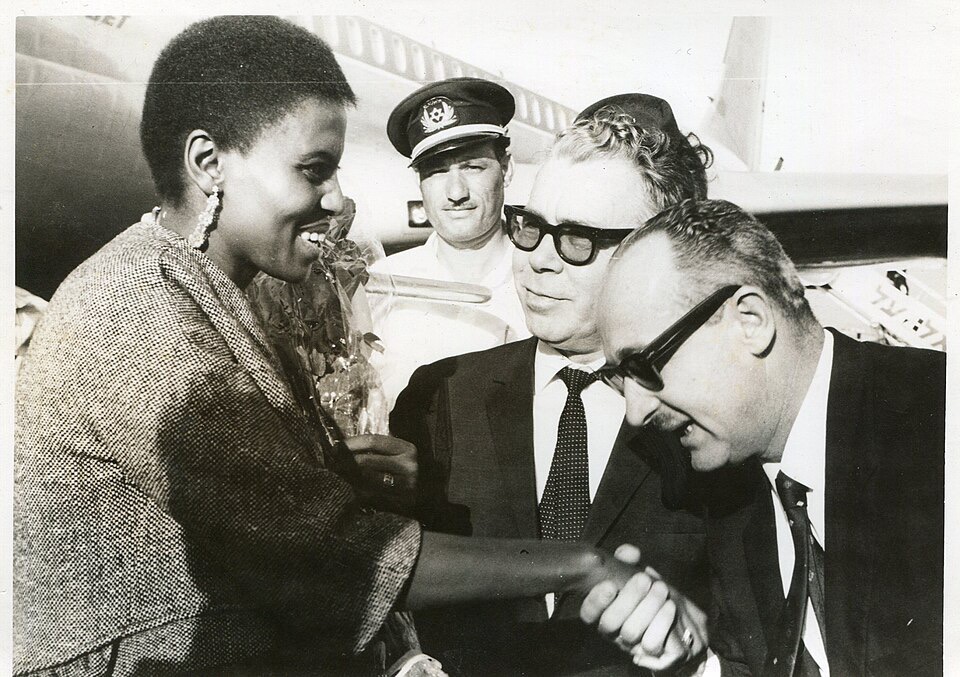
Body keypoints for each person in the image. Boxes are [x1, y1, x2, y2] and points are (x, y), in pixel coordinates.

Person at [12, 18, 668, 676]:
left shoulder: (190, 287)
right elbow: (334, 555)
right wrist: (583, 563)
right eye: (313, 170)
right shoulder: (138, 310)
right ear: (209, 164)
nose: (336, 199)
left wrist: (334, 476)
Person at [391, 94, 714, 676]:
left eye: (578, 239)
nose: (538, 261)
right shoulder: (439, 397)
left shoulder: (710, 421)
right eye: (531, 227)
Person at [593, 198, 945, 675]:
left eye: (644, 367)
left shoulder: (938, 425)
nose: (635, 412)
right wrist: (692, 663)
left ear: (750, 322)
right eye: (620, 378)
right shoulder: (732, 500)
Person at [370, 77, 531, 407]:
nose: (456, 193)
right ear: (419, 182)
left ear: (506, 169)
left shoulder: (543, 277)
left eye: (472, 167)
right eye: (437, 172)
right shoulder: (381, 285)